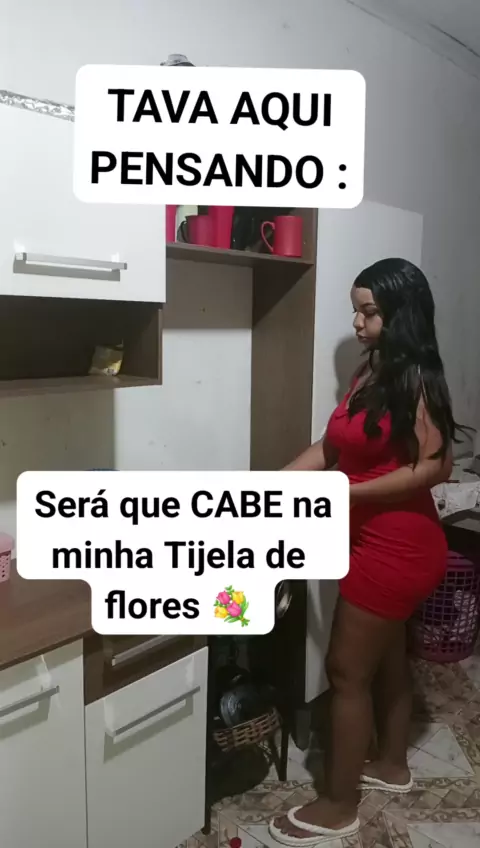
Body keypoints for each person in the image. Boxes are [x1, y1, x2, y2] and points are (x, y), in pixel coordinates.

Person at [270, 258, 456, 846]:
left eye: (369, 312)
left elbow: (434, 468)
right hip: (368, 540)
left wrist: (346, 493)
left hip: (397, 548)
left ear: (400, 313)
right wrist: (275, 483)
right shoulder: (370, 371)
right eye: (357, 310)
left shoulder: (417, 378)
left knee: (346, 672)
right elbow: (333, 447)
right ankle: (394, 765)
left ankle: (338, 804)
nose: (357, 322)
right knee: (389, 659)